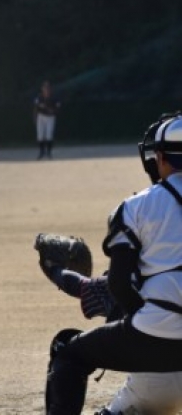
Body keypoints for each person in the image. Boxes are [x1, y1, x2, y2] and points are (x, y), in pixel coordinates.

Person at [44, 113, 182, 414]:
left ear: (159, 158)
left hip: (155, 358)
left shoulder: (137, 207)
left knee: (68, 353)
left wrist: (54, 269)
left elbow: (115, 284)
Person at [43, 265, 182, 414]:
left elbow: (79, 285)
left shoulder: (136, 266)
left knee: (65, 348)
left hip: (153, 385)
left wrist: (54, 269)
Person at [33, 80, 61, 159]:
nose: (46, 90)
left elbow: (57, 108)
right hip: (41, 117)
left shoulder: (54, 98)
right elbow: (36, 108)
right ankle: (41, 152)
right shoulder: (39, 97)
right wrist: (35, 117)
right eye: (45, 88)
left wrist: (53, 111)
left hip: (50, 117)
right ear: (42, 89)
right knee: (40, 135)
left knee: (49, 135)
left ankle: (49, 152)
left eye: (48, 89)